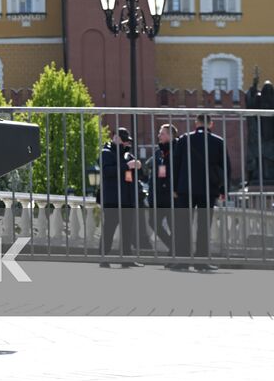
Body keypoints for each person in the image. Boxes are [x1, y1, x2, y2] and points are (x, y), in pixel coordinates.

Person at [170, 115, 232, 271]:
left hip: (186, 189)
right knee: (204, 226)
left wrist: (174, 188)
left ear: (196, 123)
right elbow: (226, 168)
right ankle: (201, 262)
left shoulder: (184, 139)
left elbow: (175, 164)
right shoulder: (218, 141)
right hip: (208, 189)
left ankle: (182, 261)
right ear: (211, 124)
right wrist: (223, 190)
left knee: (183, 225)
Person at [98, 127, 142, 267]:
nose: (126, 144)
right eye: (124, 141)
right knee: (109, 229)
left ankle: (127, 259)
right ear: (115, 138)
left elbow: (139, 176)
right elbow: (107, 171)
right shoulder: (106, 153)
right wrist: (126, 166)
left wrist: (139, 167)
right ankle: (103, 258)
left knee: (127, 230)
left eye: (127, 141)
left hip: (127, 199)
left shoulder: (128, 155)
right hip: (112, 199)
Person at [147, 124, 177, 254]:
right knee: (153, 222)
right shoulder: (158, 152)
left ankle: (176, 254)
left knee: (174, 227)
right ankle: (173, 247)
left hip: (172, 196)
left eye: (162, 133)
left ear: (171, 136)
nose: (159, 135)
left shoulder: (177, 150)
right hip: (158, 197)